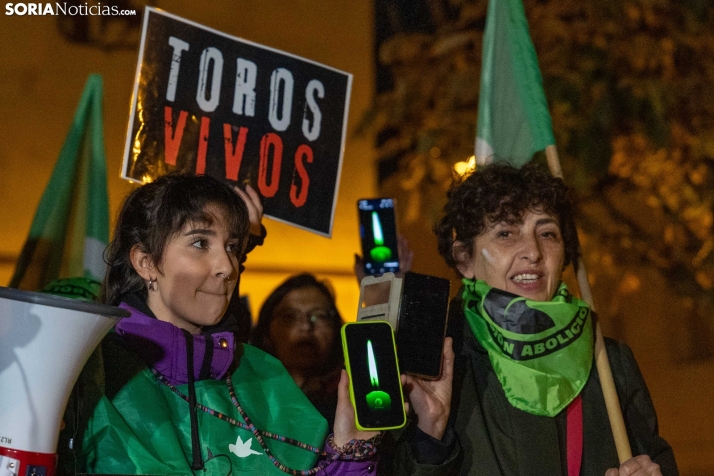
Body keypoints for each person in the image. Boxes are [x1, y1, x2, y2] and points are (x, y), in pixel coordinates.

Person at [76, 173, 379, 474]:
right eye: (200, 243)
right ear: (146, 262)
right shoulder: (95, 370)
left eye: (232, 247)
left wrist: (348, 459)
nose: (226, 266)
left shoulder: (263, 374)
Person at [392, 161, 678, 475]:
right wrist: (429, 439)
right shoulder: (429, 365)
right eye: (505, 233)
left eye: (547, 233)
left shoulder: (609, 362)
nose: (533, 251)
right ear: (465, 260)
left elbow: (655, 458)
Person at [252, 273, 344, 429]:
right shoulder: (248, 396)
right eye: (290, 317)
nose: (306, 327)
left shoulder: (351, 398)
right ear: (266, 332)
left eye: (320, 316)